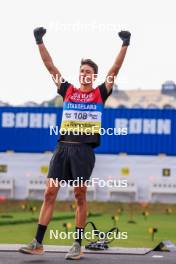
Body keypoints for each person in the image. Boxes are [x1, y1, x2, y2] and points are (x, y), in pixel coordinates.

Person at [19, 27, 131, 260]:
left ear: (94, 76)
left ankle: (77, 245)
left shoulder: (100, 93)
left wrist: (125, 44)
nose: (84, 74)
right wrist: (39, 41)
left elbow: (115, 69)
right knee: (50, 192)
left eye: (88, 71)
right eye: (82, 71)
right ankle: (37, 242)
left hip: (83, 151)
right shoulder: (67, 90)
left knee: (79, 195)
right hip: (62, 148)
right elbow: (50, 67)